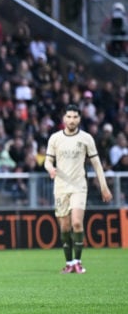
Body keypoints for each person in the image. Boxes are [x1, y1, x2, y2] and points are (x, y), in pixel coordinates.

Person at [44, 104, 112, 274]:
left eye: (75, 117)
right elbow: (47, 160)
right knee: (65, 228)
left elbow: (97, 164)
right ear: (64, 118)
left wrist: (104, 187)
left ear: (79, 119)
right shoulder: (55, 138)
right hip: (60, 187)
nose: (72, 120)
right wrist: (50, 169)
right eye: (69, 117)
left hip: (79, 186)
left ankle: (78, 262)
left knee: (76, 223)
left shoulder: (86, 138)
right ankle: (69, 263)